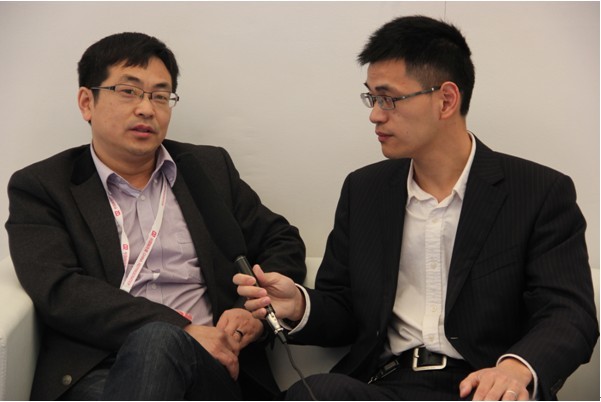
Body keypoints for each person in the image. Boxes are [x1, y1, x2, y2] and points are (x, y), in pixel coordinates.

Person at [235, 15, 599, 401]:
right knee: (318, 393)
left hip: (485, 386)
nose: (375, 114)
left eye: (389, 99)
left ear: (446, 100)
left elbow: (568, 313)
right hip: (387, 385)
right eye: (372, 98)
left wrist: (514, 369)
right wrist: (299, 304)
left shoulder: (537, 191)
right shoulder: (365, 190)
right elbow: (345, 309)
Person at [5, 32, 306, 401]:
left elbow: (281, 241)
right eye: (129, 91)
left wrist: (251, 314)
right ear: (87, 102)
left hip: (211, 371)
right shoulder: (44, 186)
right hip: (98, 372)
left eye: (160, 96)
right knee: (158, 339)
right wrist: (179, 329)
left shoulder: (207, 169)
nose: (147, 109)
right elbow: (60, 291)